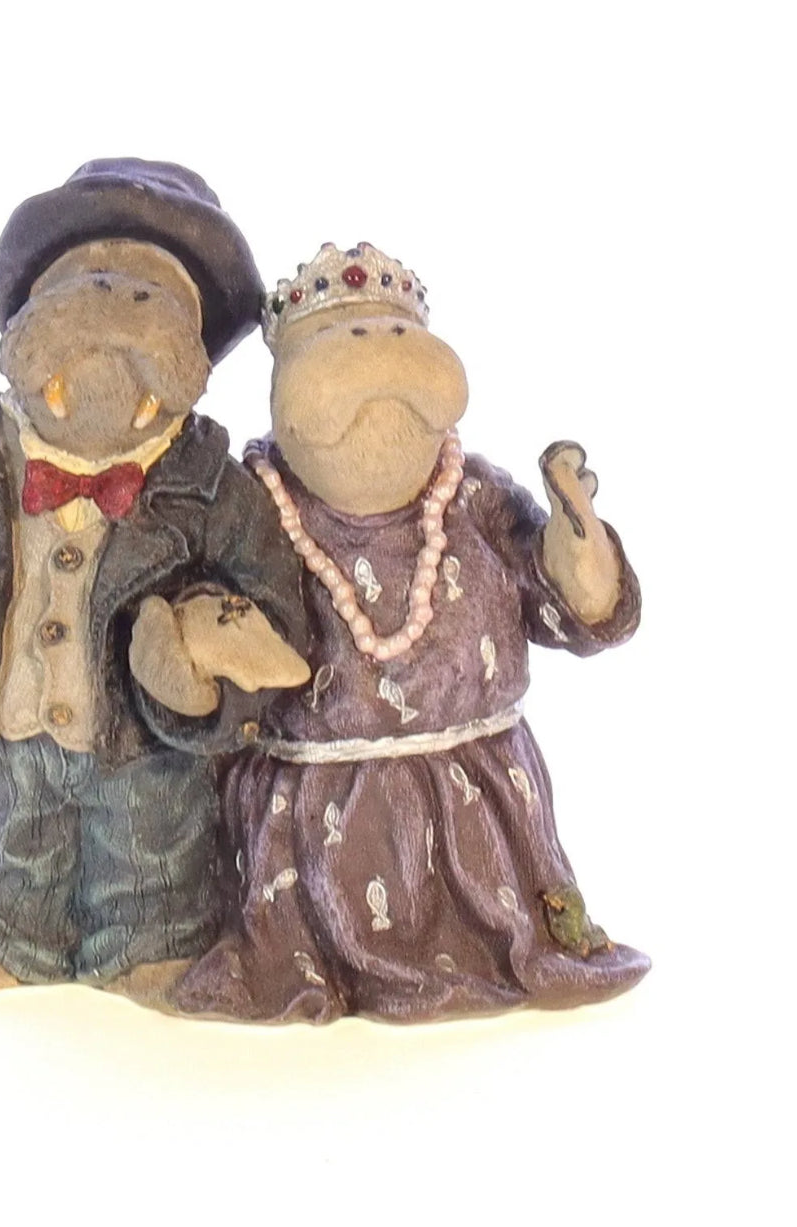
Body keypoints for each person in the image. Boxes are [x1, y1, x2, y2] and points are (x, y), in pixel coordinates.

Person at [0, 160, 309, 994]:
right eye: (87, 280)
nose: (116, 301)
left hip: (143, 745)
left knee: (151, 841)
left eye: (152, 293)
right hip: (4, 730)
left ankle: (152, 942)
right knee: (8, 830)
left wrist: (198, 679)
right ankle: (0, 934)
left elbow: (280, 613)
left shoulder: (215, 485)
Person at [175, 242, 649, 1023]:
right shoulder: (252, 502)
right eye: (342, 335)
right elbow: (207, 614)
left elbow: (558, 605)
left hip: (480, 801)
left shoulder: (472, 493)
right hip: (310, 815)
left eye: (395, 330)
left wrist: (578, 559)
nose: (376, 349)